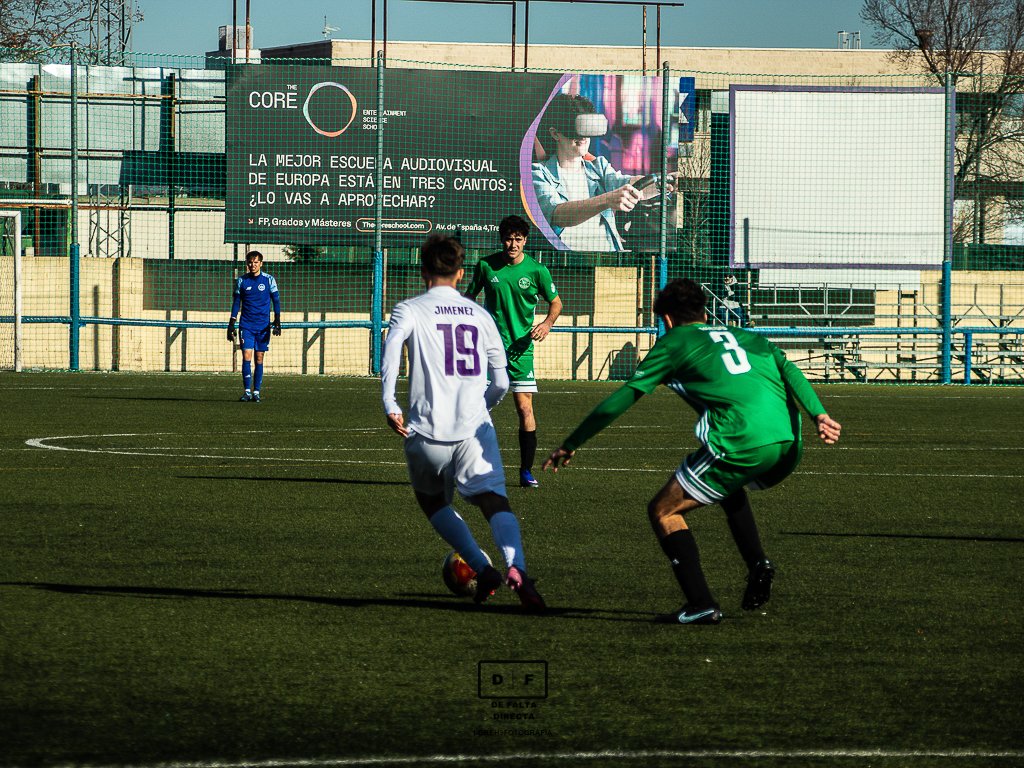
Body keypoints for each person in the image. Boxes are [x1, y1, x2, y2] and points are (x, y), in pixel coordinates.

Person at [543, 278, 842, 625]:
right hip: (788, 440)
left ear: (667, 320)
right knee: (727, 486)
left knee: (663, 510)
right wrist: (819, 413)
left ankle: (700, 602)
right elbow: (788, 369)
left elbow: (620, 400)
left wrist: (571, 443)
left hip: (742, 440)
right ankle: (758, 562)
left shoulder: (671, 343)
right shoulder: (747, 336)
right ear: (703, 311)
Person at [382, 234, 546, 612]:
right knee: (494, 502)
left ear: (424, 271)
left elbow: (391, 358)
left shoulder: (409, 310)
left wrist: (390, 404)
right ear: (460, 274)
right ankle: (517, 569)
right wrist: (482, 408)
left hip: (427, 431)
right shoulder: (480, 315)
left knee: (432, 501)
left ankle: (480, 567)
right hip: (474, 430)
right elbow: (502, 381)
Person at [464, 215, 563, 489]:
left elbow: (556, 303)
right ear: (501, 239)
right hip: (489, 349)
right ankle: (471, 465)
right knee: (477, 407)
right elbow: (468, 299)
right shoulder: (486, 265)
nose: (513, 244)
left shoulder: (537, 270)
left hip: (521, 351)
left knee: (524, 408)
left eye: (518, 239)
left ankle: (525, 471)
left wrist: (546, 323)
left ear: (525, 240)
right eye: (509, 238)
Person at [531, 93, 670, 252]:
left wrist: (664, 183)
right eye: (575, 129)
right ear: (555, 133)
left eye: (586, 129)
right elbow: (558, 214)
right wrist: (607, 199)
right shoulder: (540, 174)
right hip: (569, 259)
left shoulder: (599, 168)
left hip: (609, 255)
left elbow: (630, 184)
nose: (583, 137)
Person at [227, 250, 281, 403]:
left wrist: (277, 320)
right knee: (246, 356)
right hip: (246, 325)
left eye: (256, 262)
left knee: (259, 357)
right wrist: (231, 323)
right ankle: (246, 392)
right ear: (247, 264)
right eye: (250, 262)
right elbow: (236, 303)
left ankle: (256, 392)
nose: (253, 265)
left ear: (261, 264)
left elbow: (276, 301)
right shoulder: (242, 281)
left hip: (263, 326)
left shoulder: (269, 280)